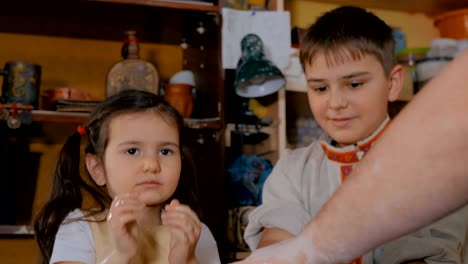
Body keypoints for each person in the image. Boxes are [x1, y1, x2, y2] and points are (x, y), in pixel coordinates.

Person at [242, 5, 468, 264]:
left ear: (392, 83)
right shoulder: (293, 169)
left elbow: (430, 253)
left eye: (354, 84)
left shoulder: (433, 162)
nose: (336, 102)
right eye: (320, 88)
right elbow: (278, 242)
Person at [34, 90, 221, 264]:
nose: (152, 164)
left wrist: (186, 260)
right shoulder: (81, 227)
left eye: (165, 151)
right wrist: (122, 254)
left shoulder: (195, 232)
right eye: (132, 151)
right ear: (97, 168)